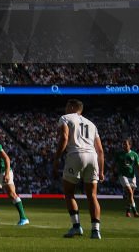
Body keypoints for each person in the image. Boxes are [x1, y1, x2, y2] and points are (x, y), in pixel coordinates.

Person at [54, 100, 104, 239]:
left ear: (72, 107)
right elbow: (100, 150)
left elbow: (64, 137)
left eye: (66, 106)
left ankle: (76, 227)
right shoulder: (92, 124)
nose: (65, 109)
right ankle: (95, 231)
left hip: (76, 154)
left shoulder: (65, 118)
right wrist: (101, 171)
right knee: (92, 196)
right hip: (92, 157)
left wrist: (57, 158)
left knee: (69, 192)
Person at [115, 138, 139, 218]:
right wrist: (113, 174)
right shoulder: (119, 154)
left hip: (132, 176)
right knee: (130, 193)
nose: (123, 146)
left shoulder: (134, 154)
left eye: (125, 144)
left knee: (130, 195)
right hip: (123, 175)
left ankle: (128, 211)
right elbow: (114, 165)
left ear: (130, 145)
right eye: (123, 144)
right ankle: (135, 212)